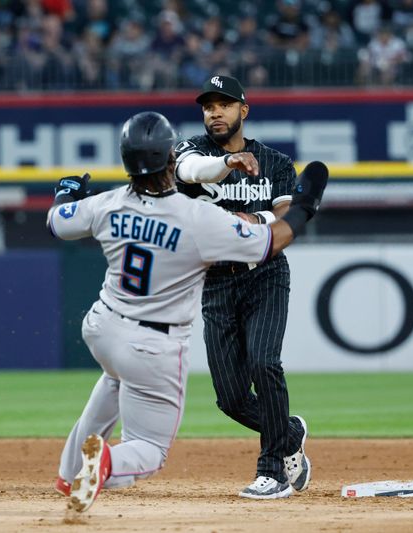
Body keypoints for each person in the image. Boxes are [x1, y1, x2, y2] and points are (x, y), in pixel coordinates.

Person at [48, 111, 327, 511]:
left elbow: (57, 222)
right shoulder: (197, 218)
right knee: (148, 447)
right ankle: (105, 461)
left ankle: (67, 473)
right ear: (171, 161)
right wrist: (305, 205)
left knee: (113, 379)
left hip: (102, 326)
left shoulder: (106, 204)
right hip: (152, 344)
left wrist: (67, 191)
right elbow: (272, 240)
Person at [174, 74, 311, 499]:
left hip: (265, 274)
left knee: (264, 364)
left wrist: (255, 223)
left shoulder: (274, 162)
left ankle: (271, 470)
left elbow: (288, 220)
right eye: (208, 106)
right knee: (230, 399)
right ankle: (289, 431)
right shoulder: (191, 151)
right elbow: (187, 170)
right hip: (216, 282)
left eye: (224, 104)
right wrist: (227, 166)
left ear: (243, 111)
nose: (214, 112)